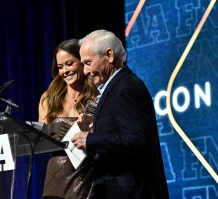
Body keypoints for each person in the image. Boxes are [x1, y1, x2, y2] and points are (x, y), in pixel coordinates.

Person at [71, 29, 170, 199]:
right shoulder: (114, 87)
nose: (85, 71)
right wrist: (96, 126)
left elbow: (138, 142)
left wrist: (90, 139)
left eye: (88, 62)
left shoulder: (127, 87)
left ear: (109, 55)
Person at [38, 39, 98, 199]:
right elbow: (37, 140)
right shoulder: (48, 98)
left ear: (82, 62)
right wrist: (49, 131)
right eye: (60, 67)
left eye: (69, 63)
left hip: (86, 175)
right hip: (55, 176)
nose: (65, 71)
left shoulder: (96, 96)